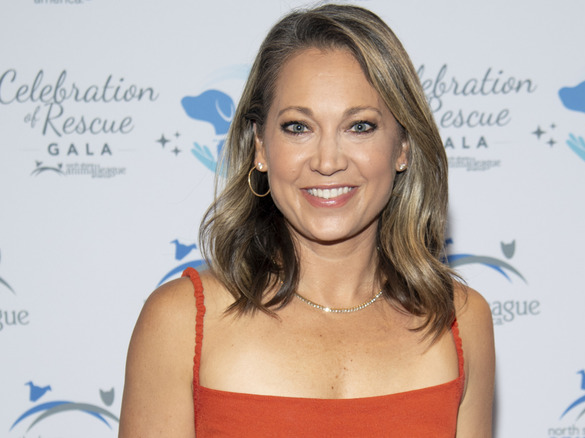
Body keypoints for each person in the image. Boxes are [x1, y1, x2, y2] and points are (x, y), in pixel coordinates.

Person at [120, 4, 494, 437]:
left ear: (403, 146)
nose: (328, 161)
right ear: (260, 145)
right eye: (298, 127)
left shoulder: (461, 321)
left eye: (360, 126)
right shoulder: (181, 322)